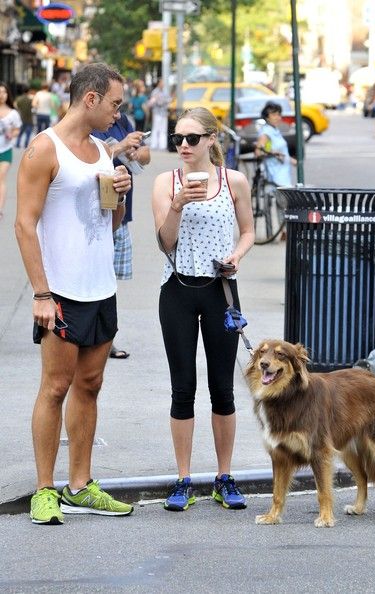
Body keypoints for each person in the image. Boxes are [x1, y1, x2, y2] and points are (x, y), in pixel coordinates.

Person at [15, 62, 134, 525]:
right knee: (55, 388)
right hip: (60, 291)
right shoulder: (43, 150)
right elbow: (24, 226)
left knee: (91, 385)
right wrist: (41, 294)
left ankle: (80, 485)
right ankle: (44, 491)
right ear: (90, 99)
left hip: (100, 287)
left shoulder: (103, 151)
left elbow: (110, 223)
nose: (117, 115)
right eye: (114, 104)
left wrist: (120, 197)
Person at [151, 107, 255, 512]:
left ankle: (224, 476)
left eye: (192, 139)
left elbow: (247, 231)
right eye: (178, 139)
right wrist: (176, 204)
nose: (184, 146)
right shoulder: (165, 182)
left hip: (220, 290)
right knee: (182, 388)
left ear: (212, 140)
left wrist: (237, 256)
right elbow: (165, 243)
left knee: (223, 389)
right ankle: (183, 479)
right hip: (177, 288)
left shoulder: (234, 181)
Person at [93, 112, 151, 359]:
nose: (117, 111)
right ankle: (92, 337)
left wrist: (135, 153)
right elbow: (88, 159)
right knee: (93, 277)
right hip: (94, 216)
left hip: (120, 213)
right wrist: (120, 146)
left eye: (120, 103)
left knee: (109, 282)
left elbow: (146, 156)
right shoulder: (89, 123)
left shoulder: (123, 121)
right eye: (113, 103)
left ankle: (106, 338)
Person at [255, 101, 296, 186]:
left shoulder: (274, 130)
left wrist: (291, 160)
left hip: (283, 173)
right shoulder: (266, 133)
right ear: (267, 117)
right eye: (274, 115)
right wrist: (273, 152)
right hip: (275, 176)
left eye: (279, 114)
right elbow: (258, 152)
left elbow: (281, 151)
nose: (277, 117)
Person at [0, 81, 22, 220]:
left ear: (7, 94)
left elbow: (17, 130)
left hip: (6, 150)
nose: (1, 95)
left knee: (1, 178)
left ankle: (0, 209)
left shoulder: (13, 113)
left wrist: (11, 134)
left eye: (4, 92)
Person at [148, 79, 170, 150]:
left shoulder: (165, 92)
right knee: (156, 129)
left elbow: (168, 100)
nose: (163, 84)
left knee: (163, 130)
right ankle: (154, 144)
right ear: (159, 83)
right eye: (162, 83)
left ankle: (162, 145)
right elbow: (157, 102)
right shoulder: (155, 92)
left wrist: (163, 101)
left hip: (164, 113)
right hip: (157, 113)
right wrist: (163, 101)